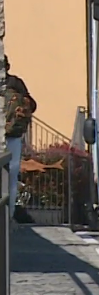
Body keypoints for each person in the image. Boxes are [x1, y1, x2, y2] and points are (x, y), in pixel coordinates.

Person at [3, 56, 35, 220]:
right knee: (12, 176)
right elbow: (33, 105)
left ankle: (7, 216)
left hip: (11, 136)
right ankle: (9, 216)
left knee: (11, 175)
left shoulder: (14, 84)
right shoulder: (16, 83)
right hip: (13, 136)